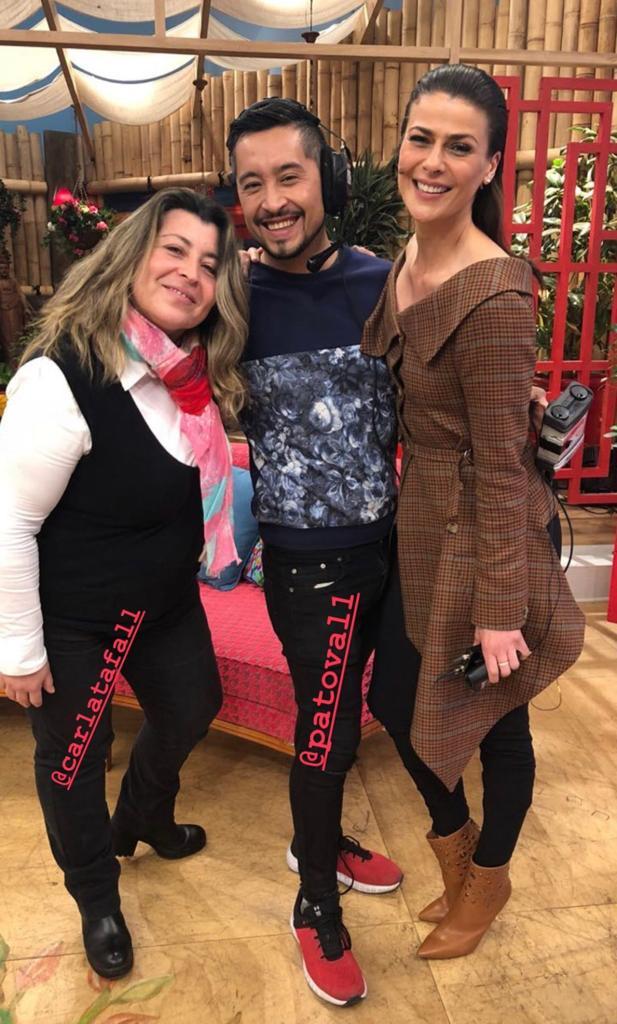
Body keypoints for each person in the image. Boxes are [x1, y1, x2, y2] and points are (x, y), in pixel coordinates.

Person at [362, 64, 585, 960]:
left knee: (497, 720)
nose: (432, 161)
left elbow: (498, 467)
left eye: (459, 147)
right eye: (420, 138)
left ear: (490, 165)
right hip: (421, 520)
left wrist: (500, 611)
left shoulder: (494, 293)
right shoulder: (409, 259)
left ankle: (486, 880)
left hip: (483, 532)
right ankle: (457, 860)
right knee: (393, 696)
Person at [0, 188, 248, 979]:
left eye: (208, 263)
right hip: (75, 620)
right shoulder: (60, 378)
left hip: (165, 607)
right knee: (75, 757)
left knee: (192, 707)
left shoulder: (191, 379)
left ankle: (141, 817)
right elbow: (8, 524)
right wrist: (19, 651)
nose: (190, 273)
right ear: (130, 256)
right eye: (173, 250)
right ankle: (96, 895)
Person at [226, 98, 405, 1008]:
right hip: (306, 569)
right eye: (251, 184)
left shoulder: (384, 283)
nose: (272, 201)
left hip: (392, 551)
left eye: (288, 176)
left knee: (373, 710)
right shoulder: (230, 301)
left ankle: (321, 841)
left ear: (325, 179)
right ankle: (313, 905)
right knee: (326, 729)